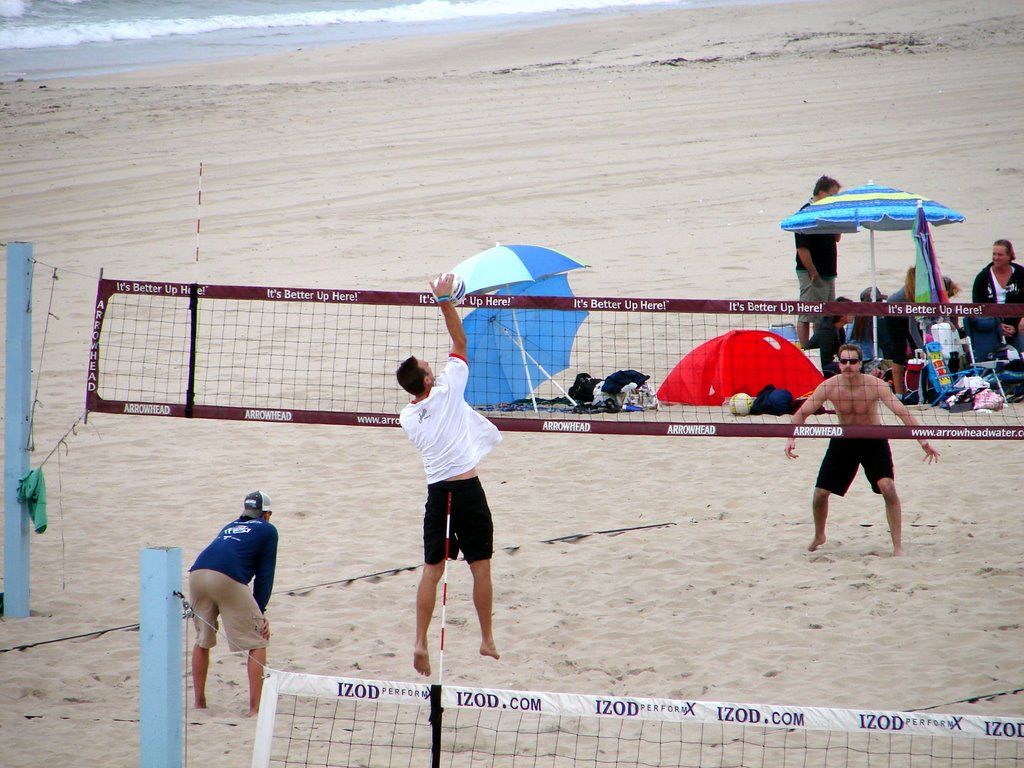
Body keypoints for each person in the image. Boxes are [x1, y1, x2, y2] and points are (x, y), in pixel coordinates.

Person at [396, 273, 502, 678]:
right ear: (427, 380)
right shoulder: (448, 391)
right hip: (467, 491)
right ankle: (486, 638)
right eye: (428, 369)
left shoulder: (407, 417)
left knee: (432, 570)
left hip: (438, 496)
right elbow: (459, 343)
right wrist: (445, 300)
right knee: (481, 566)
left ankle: (420, 641)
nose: (433, 369)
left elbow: (425, 391)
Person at [784, 344, 940, 557]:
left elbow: (902, 413)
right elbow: (801, 414)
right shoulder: (829, 386)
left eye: (853, 362)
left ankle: (897, 547)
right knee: (820, 493)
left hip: (872, 438)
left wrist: (923, 441)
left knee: (888, 488)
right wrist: (791, 438)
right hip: (844, 439)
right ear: (838, 363)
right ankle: (819, 535)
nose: (848, 366)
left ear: (860, 364)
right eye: (844, 361)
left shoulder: (875, 385)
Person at [189, 490, 278, 717]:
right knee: (257, 640)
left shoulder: (229, 526)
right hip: (226, 577)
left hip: (197, 574)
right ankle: (255, 709)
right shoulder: (268, 530)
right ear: (267, 514)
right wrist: (260, 611)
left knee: (202, 640)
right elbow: (265, 574)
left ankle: (199, 704)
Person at [883, 268, 962, 395]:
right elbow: (913, 327)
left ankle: (920, 387)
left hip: (907, 313)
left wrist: (947, 320)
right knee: (900, 352)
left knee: (918, 351)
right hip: (893, 312)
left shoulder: (934, 289)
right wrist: (921, 347)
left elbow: (941, 308)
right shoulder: (915, 293)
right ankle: (900, 392)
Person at [794, 175, 842, 347]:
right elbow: (802, 248)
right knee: (808, 313)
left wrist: (837, 220)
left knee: (826, 313)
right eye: (832, 195)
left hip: (829, 270)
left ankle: (822, 346)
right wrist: (812, 271)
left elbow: (837, 238)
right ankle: (807, 349)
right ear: (821, 193)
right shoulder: (806, 213)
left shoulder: (829, 213)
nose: (834, 200)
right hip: (811, 272)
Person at [971, 239, 1024, 353]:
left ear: (1009, 256)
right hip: (992, 326)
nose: (996, 257)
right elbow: (978, 308)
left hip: (1018, 325)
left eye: (1000, 254)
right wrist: (998, 325)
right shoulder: (983, 277)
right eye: (994, 254)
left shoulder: (1021, 274)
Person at [804, 296, 852, 374]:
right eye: (851, 311)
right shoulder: (826, 332)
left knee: (854, 365)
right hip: (816, 365)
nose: (853, 314)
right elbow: (825, 360)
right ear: (842, 315)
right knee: (848, 367)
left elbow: (841, 352)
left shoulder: (840, 329)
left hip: (827, 362)